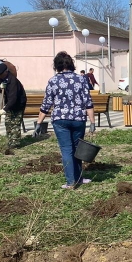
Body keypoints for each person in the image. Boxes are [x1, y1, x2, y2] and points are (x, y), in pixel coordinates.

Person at [35, 52, 96, 190]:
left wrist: (39, 123)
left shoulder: (53, 81)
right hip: (78, 119)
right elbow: (88, 102)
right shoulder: (81, 79)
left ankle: (70, 182)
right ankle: (79, 178)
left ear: (56, 65)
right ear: (71, 64)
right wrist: (92, 122)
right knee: (77, 149)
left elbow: (46, 104)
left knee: (67, 150)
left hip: (60, 120)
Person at [0, 63, 27, 150]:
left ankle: (15, 144)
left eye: (1, 74)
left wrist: (4, 109)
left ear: (6, 72)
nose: (0, 76)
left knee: (15, 123)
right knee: (8, 123)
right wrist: (0, 87)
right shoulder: (0, 78)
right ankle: (10, 141)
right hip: (9, 103)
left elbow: (13, 98)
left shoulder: (13, 81)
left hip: (18, 103)